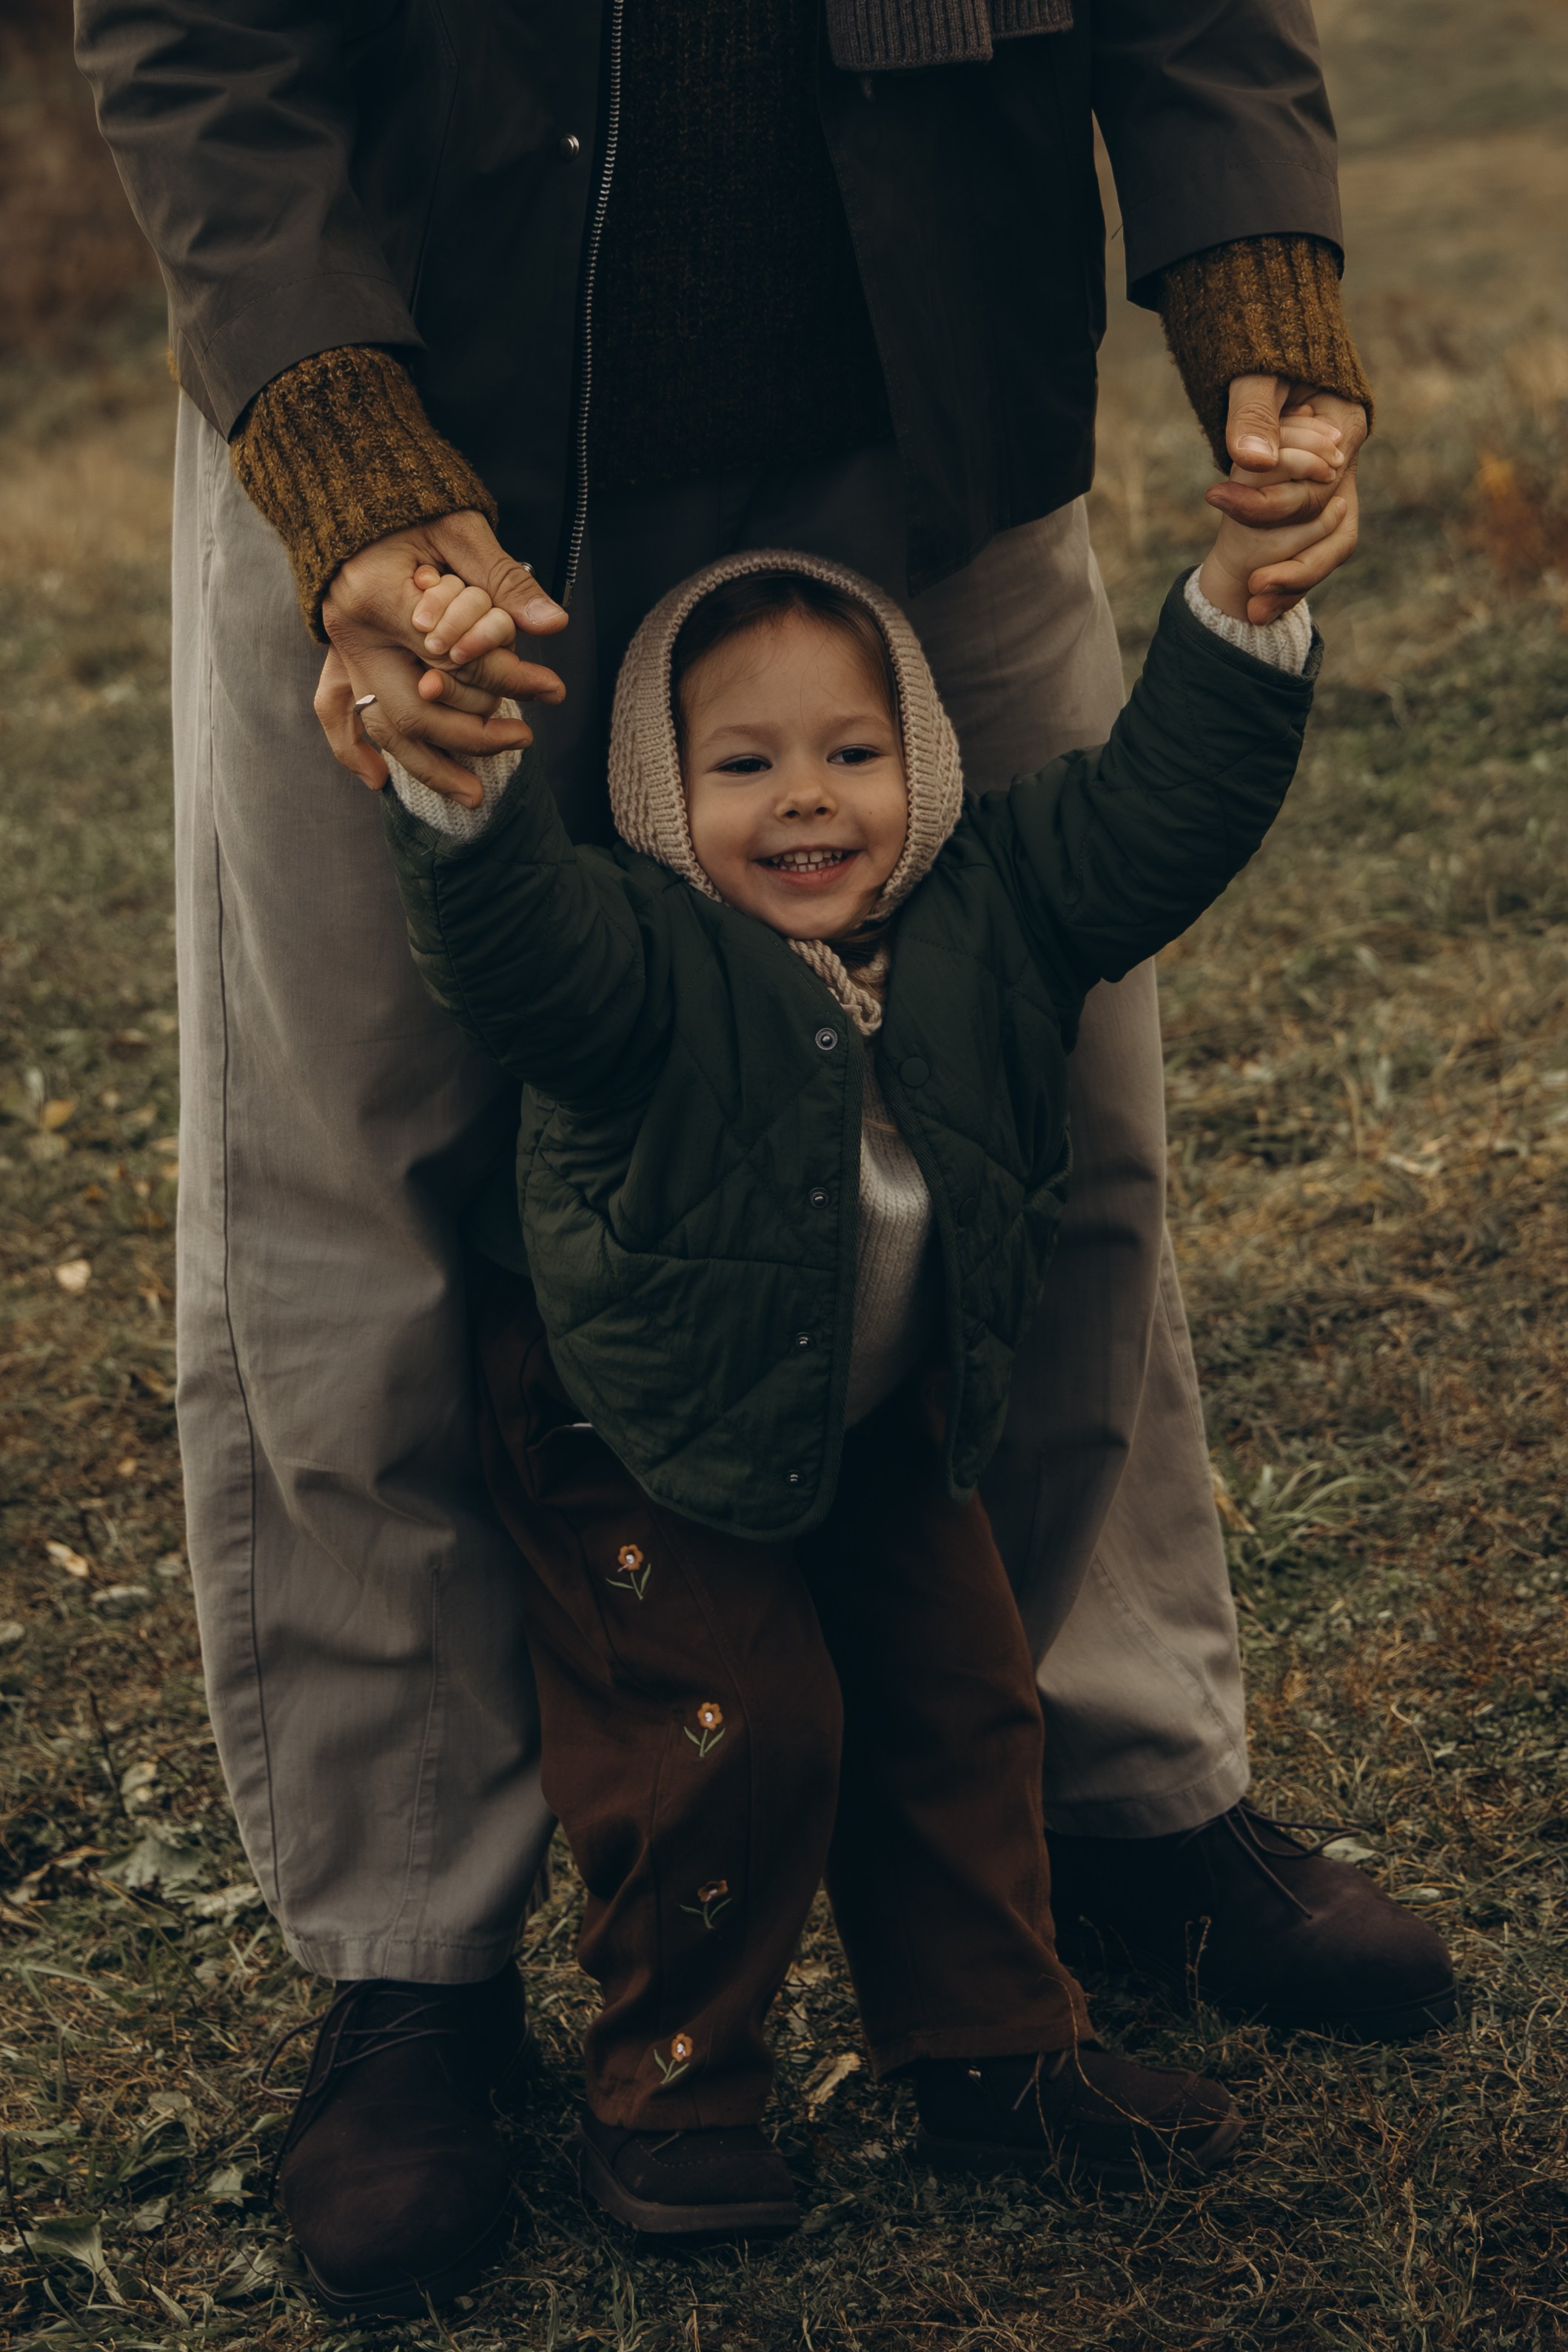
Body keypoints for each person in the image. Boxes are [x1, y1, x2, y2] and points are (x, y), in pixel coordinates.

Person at [76, 0, 1454, 2314]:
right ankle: (415, 1951)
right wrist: (329, 436)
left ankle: (1098, 1808)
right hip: (405, 429)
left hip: (926, 398)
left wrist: (1256, 294)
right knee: (367, 1184)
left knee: (1049, 1109)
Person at [355, 409, 1338, 2256]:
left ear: (926, 759)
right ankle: (678, 2084)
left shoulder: (992, 910)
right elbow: (508, 950)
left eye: (852, 750)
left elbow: (1154, 816)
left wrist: (1238, 611)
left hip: (867, 1410)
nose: (807, 796)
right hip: (632, 1421)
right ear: (658, 795)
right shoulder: (646, 961)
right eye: (744, 762)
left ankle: (992, 2050)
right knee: (741, 1722)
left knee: (968, 1690)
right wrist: (468, 796)